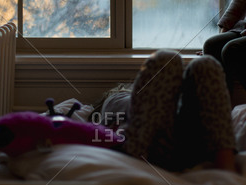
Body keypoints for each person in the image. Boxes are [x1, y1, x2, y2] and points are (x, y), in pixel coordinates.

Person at [95, 50, 237, 173]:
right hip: (150, 145)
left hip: (185, 141)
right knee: (167, 60)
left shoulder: (121, 99)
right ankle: (226, 164)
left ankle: (225, 164)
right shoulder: (115, 98)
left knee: (205, 65)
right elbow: (105, 132)